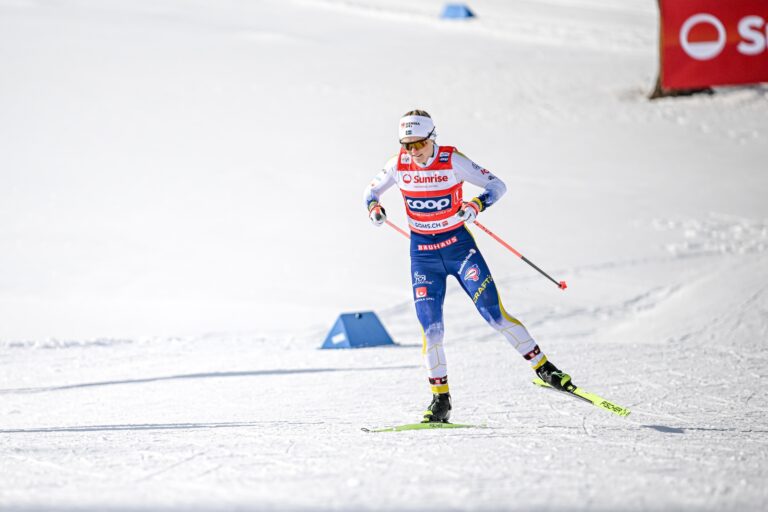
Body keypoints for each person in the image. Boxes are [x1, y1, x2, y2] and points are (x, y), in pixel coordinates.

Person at [363, 109, 575, 423]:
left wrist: (477, 205)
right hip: (423, 256)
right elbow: (371, 191)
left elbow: (497, 186)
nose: (413, 151)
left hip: (459, 250)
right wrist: (375, 208)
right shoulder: (398, 164)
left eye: (418, 143)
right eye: (406, 145)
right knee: (431, 330)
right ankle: (440, 400)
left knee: (494, 315)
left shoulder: (453, 161)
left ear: (431, 137)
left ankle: (545, 369)